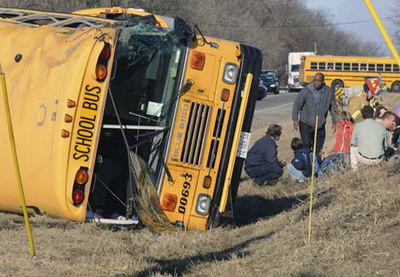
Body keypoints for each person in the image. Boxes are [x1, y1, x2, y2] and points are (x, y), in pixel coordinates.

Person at [292, 73, 338, 157]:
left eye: (319, 81)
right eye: (315, 80)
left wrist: (335, 121)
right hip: (306, 122)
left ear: (323, 81)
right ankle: (308, 165)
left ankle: (316, 164)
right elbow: (297, 105)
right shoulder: (306, 91)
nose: (316, 83)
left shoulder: (328, 92)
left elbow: (333, 107)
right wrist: (295, 119)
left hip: (320, 124)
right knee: (306, 146)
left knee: (318, 148)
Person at [350, 106, 388, 170]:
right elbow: (386, 146)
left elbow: (353, 143)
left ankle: (355, 169)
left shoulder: (357, 126)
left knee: (352, 147)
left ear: (362, 115)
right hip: (379, 159)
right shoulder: (381, 126)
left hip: (364, 159)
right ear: (373, 114)